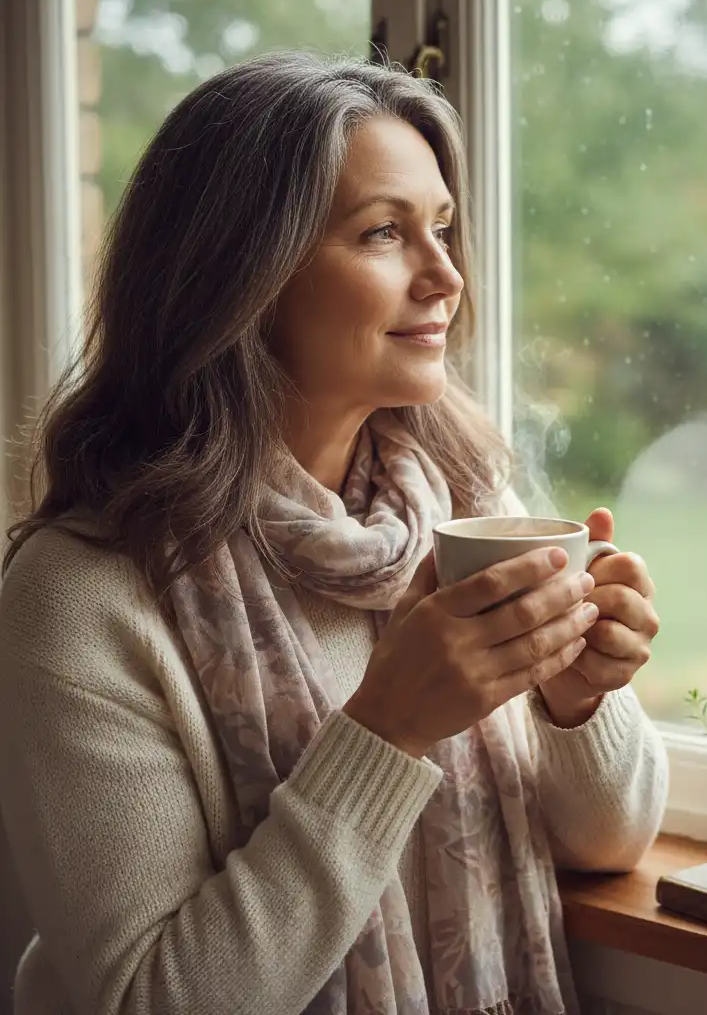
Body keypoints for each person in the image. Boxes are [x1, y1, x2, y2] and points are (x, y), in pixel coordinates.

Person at [0, 54, 667, 1015]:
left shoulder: (467, 500)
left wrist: (576, 696)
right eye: (384, 233)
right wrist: (387, 731)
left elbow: (612, 841)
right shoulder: (85, 595)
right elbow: (149, 999)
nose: (446, 275)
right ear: (241, 275)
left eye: (442, 227)